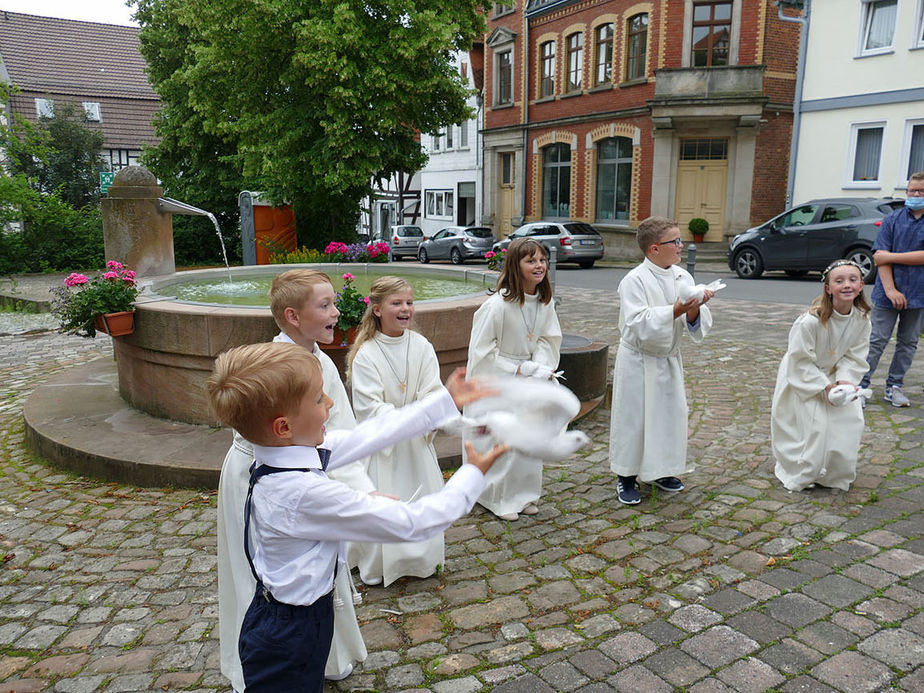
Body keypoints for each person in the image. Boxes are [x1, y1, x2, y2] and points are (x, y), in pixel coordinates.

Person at [206, 341, 508, 692]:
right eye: (319, 399)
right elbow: (414, 523)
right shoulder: (301, 492)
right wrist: (472, 475)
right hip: (289, 635)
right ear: (284, 427)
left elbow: (371, 434)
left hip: (292, 620)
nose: (331, 403)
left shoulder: (284, 455)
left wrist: (445, 402)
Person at [216, 270, 370, 691]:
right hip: (259, 481)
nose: (337, 312)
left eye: (333, 302)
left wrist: (360, 491)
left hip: (306, 478)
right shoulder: (272, 365)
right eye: (325, 305)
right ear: (292, 316)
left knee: (316, 575)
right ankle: (262, 661)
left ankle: (322, 653)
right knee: (263, 576)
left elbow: (342, 430)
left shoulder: (321, 361)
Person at [347, 277, 446, 586]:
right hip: (385, 448)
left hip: (417, 445)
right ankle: (379, 563)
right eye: (396, 303)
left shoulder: (421, 346)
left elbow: (433, 390)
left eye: (409, 302)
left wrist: (427, 412)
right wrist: (412, 419)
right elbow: (369, 407)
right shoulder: (367, 354)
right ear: (377, 309)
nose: (405, 309)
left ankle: (421, 558)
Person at [608, 216, 714, 505]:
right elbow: (638, 321)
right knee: (635, 419)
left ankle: (662, 470)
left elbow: (694, 323)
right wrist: (678, 308)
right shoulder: (634, 280)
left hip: (667, 359)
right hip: (639, 360)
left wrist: (694, 310)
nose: (682, 246)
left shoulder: (683, 276)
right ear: (654, 249)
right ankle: (626, 477)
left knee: (669, 416)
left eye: (680, 240)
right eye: (675, 241)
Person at [465, 237, 562, 521]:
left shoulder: (544, 302)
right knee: (503, 440)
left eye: (542, 260)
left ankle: (524, 494)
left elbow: (548, 337)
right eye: (530, 260)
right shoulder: (497, 306)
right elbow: (481, 352)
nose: (539, 265)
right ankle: (498, 498)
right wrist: (515, 369)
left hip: (529, 377)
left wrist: (539, 366)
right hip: (501, 380)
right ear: (515, 266)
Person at [772, 260, 871, 492]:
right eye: (839, 281)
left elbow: (855, 355)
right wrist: (825, 388)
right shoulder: (810, 322)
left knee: (850, 421)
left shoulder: (862, 319)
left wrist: (844, 383)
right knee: (814, 426)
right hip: (804, 377)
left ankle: (834, 473)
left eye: (852, 280)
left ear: (861, 286)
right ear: (828, 288)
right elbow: (800, 359)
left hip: (837, 377)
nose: (847, 285)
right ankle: (805, 471)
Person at [860, 171, 924, 407]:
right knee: (876, 340)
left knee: (908, 342)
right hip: (888, 293)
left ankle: (894, 387)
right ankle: (860, 386)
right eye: (912, 190)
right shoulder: (892, 220)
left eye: (921, 191)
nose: (916, 194)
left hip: (919, 295)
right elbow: (879, 258)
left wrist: (892, 256)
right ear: (906, 192)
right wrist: (890, 290)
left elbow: (888, 256)